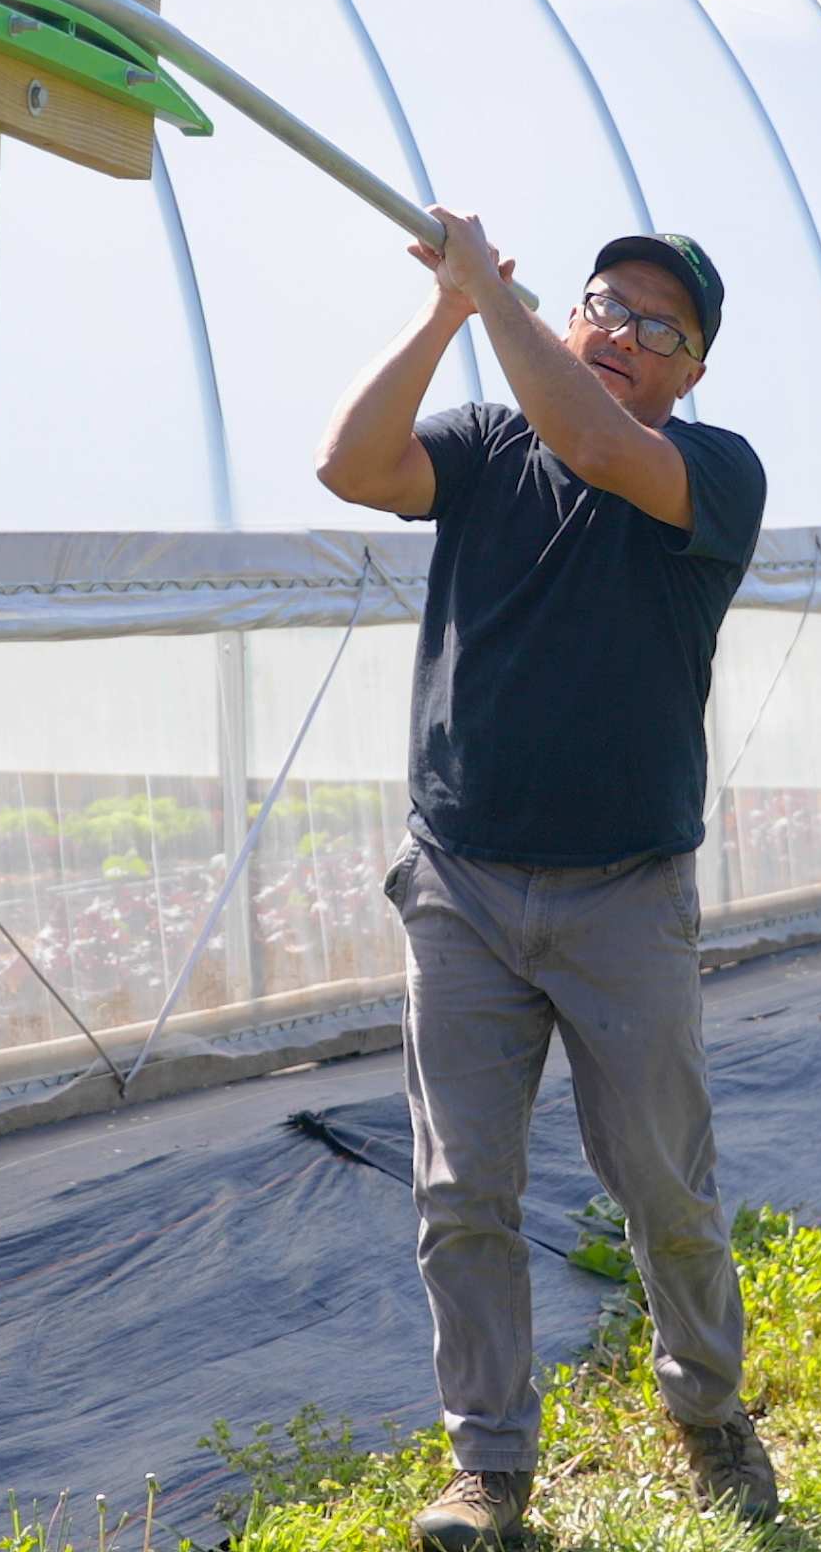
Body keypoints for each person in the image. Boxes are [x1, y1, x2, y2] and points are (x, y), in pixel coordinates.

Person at [314, 206, 777, 1549]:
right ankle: (491, 1472)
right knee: (463, 1193)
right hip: (460, 884)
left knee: (662, 1186)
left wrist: (494, 304)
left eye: (657, 326)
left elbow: (592, 438)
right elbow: (350, 465)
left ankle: (709, 1412)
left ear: (692, 371)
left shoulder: (709, 471)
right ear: (567, 313)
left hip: (623, 894)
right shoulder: (482, 447)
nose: (622, 333)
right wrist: (451, 312)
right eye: (603, 307)